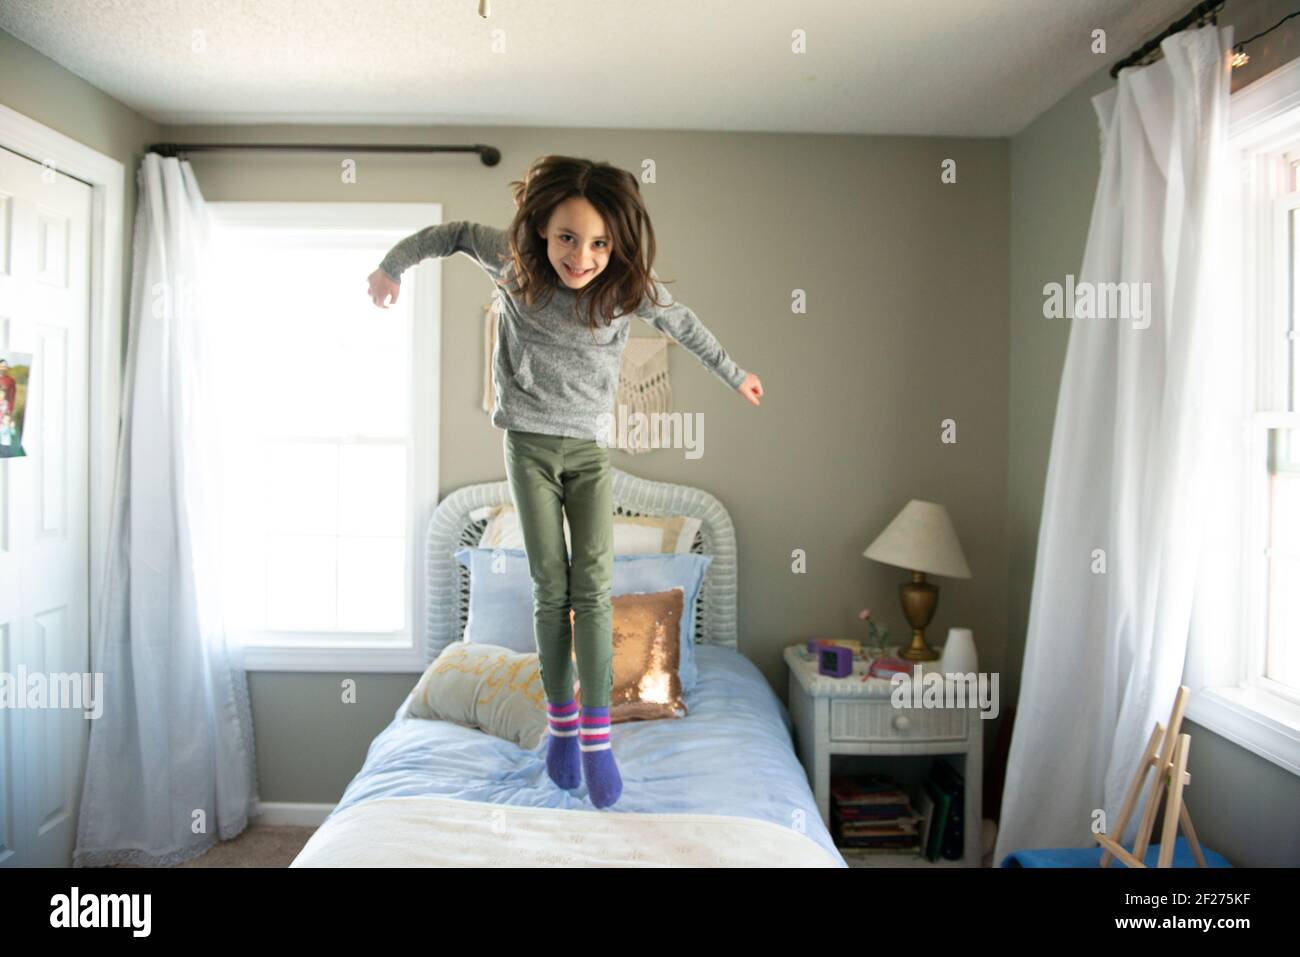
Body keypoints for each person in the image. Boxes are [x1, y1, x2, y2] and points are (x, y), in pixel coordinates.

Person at [366, 155, 763, 808]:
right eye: (568, 238)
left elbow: (682, 324)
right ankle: (560, 727)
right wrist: (392, 264)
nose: (582, 257)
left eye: (600, 243)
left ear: (618, 244)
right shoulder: (512, 264)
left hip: (587, 452)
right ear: (540, 230)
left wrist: (735, 373)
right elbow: (452, 233)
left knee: (593, 588)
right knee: (551, 585)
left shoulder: (624, 289)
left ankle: (598, 736)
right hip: (525, 447)